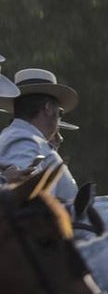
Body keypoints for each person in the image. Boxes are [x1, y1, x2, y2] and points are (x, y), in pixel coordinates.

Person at [0, 68, 79, 204]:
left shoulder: (24, 138)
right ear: (47, 108)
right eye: (60, 113)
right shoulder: (23, 140)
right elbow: (25, 202)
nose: (59, 121)